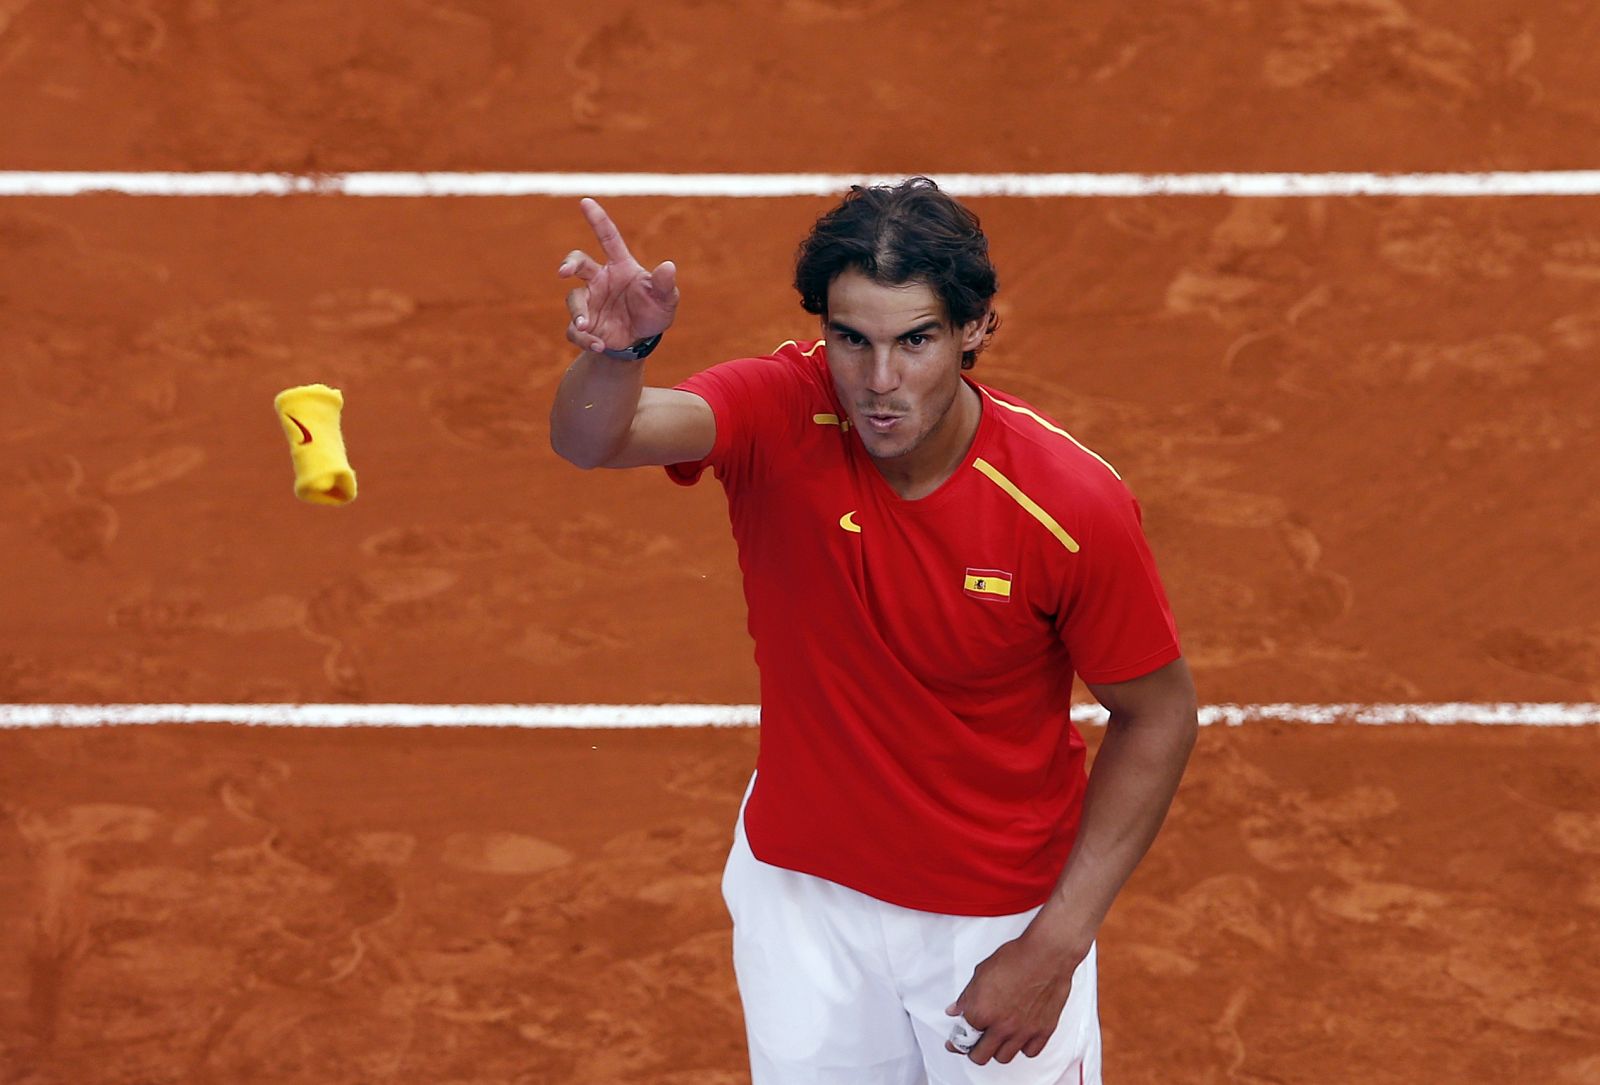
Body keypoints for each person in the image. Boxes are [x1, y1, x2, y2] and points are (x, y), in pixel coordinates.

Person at [549, 177, 1199, 1084]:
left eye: (915, 340)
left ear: (975, 330)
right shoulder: (780, 411)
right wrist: (623, 356)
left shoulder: (1068, 506)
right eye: (851, 339)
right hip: (803, 903)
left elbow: (1159, 714)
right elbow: (595, 439)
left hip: (994, 916)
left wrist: (1054, 944)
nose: (880, 381)